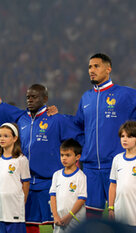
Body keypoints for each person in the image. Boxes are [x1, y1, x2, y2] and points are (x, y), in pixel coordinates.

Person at [0, 84, 82, 233]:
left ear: (45, 99)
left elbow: (79, 136)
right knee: (28, 222)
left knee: (58, 223)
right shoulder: (21, 118)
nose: (30, 100)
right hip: (26, 183)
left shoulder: (56, 119)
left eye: (34, 97)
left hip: (50, 183)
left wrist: (75, 165)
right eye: (28, 97)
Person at [74, 53, 136, 218]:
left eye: (96, 66)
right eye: (90, 67)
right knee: (92, 218)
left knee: (124, 216)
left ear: (108, 69)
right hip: (91, 168)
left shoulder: (126, 94)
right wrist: (86, 146)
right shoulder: (86, 97)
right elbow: (78, 126)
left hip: (118, 165)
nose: (92, 70)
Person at [109, 121, 136, 233]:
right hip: (120, 217)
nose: (125, 139)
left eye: (129, 136)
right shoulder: (117, 159)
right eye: (123, 136)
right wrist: (110, 208)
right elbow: (113, 185)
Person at [49, 139, 87, 233]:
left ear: (77, 157)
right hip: (59, 220)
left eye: (68, 155)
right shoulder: (56, 175)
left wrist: (69, 216)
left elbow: (81, 199)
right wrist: (55, 216)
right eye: (62, 155)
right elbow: (53, 197)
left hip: (74, 220)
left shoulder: (81, 176)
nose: (64, 158)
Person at [0, 123, 30, 233]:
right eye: (0, 136)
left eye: (6, 136)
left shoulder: (21, 160)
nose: (2, 139)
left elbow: (26, 184)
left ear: (15, 138)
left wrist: (21, 203)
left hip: (14, 209)